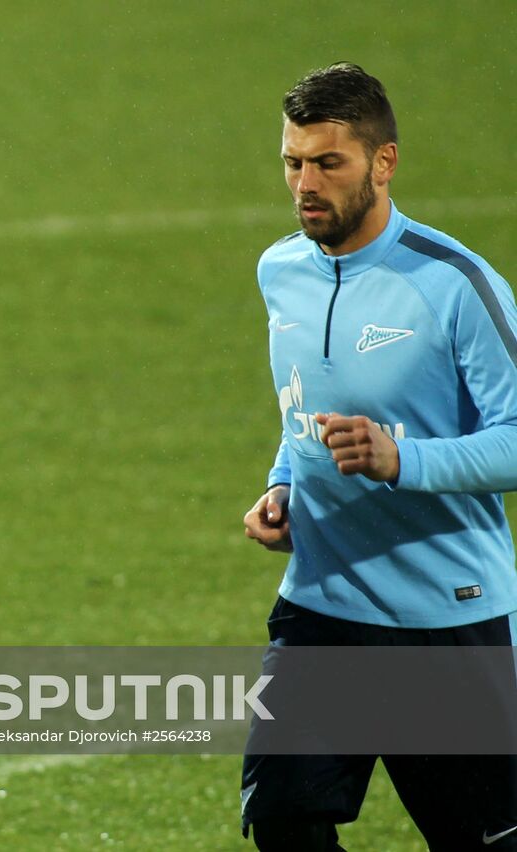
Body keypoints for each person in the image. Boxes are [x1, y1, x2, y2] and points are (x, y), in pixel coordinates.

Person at [240, 62, 517, 850]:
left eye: (330, 162)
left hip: (442, 617)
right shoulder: (280, 270)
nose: (306, 184)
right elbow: (302, 406)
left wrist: (405, 460)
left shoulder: (453, 284)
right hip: (321, 605)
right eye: (294, 161)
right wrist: (284, 483)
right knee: (285, 824)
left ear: (383, 162)